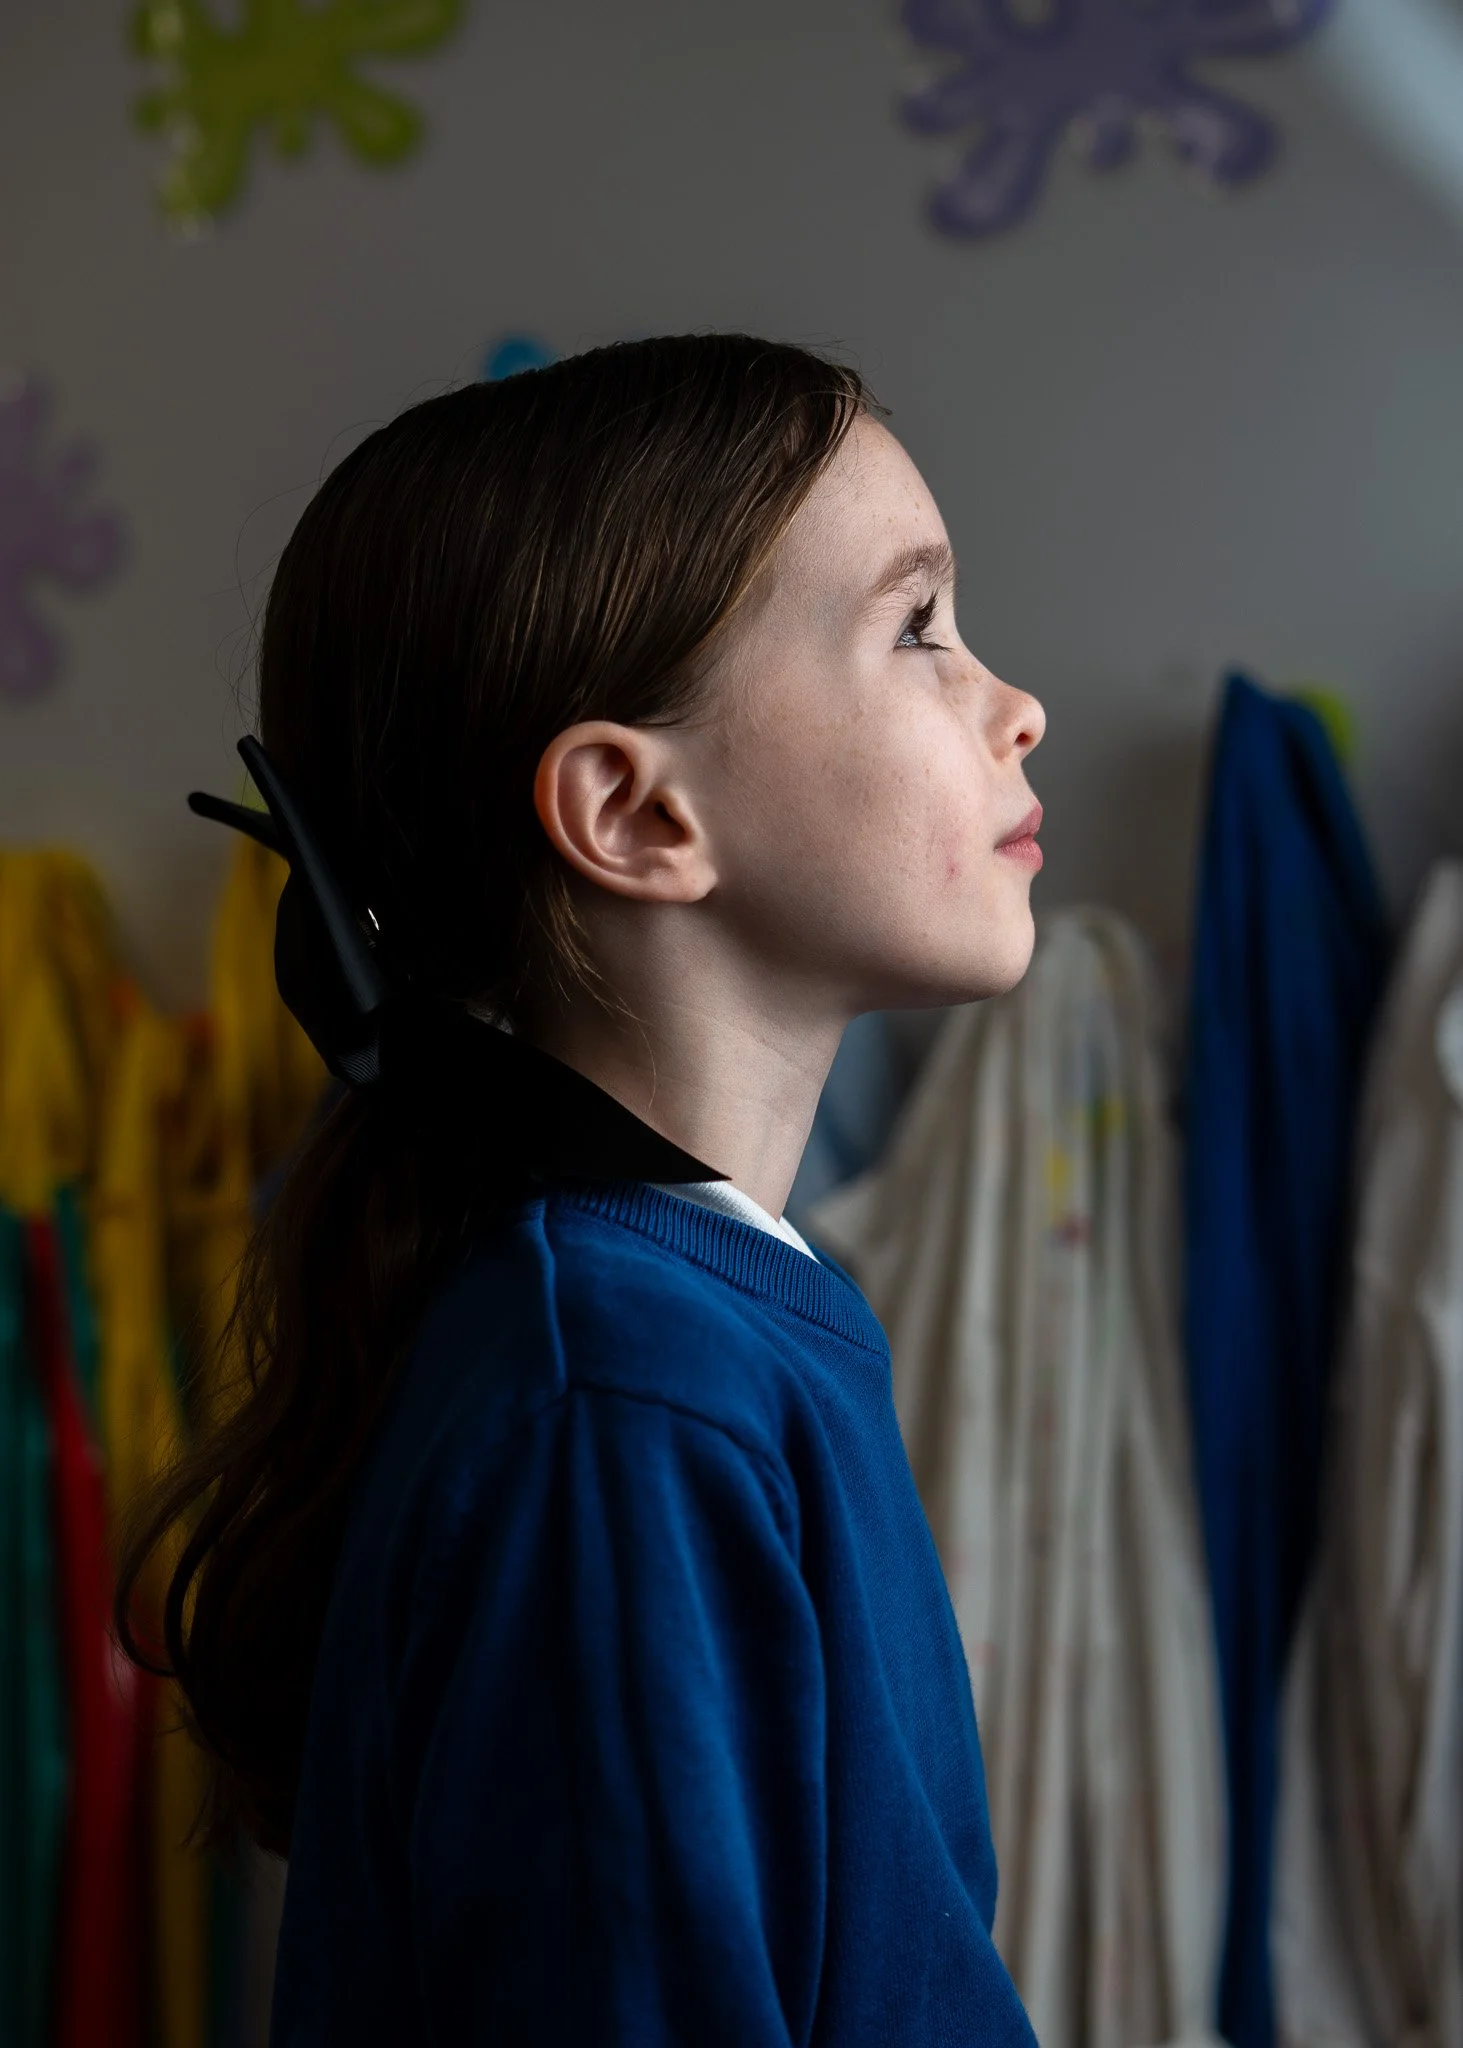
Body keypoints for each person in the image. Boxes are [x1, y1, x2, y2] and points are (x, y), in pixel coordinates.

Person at [117, 333, 1046, 2045]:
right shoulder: (619, 1393)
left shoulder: (679, 1327)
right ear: (632, 810)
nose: (1015, 706)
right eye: (917, 630)